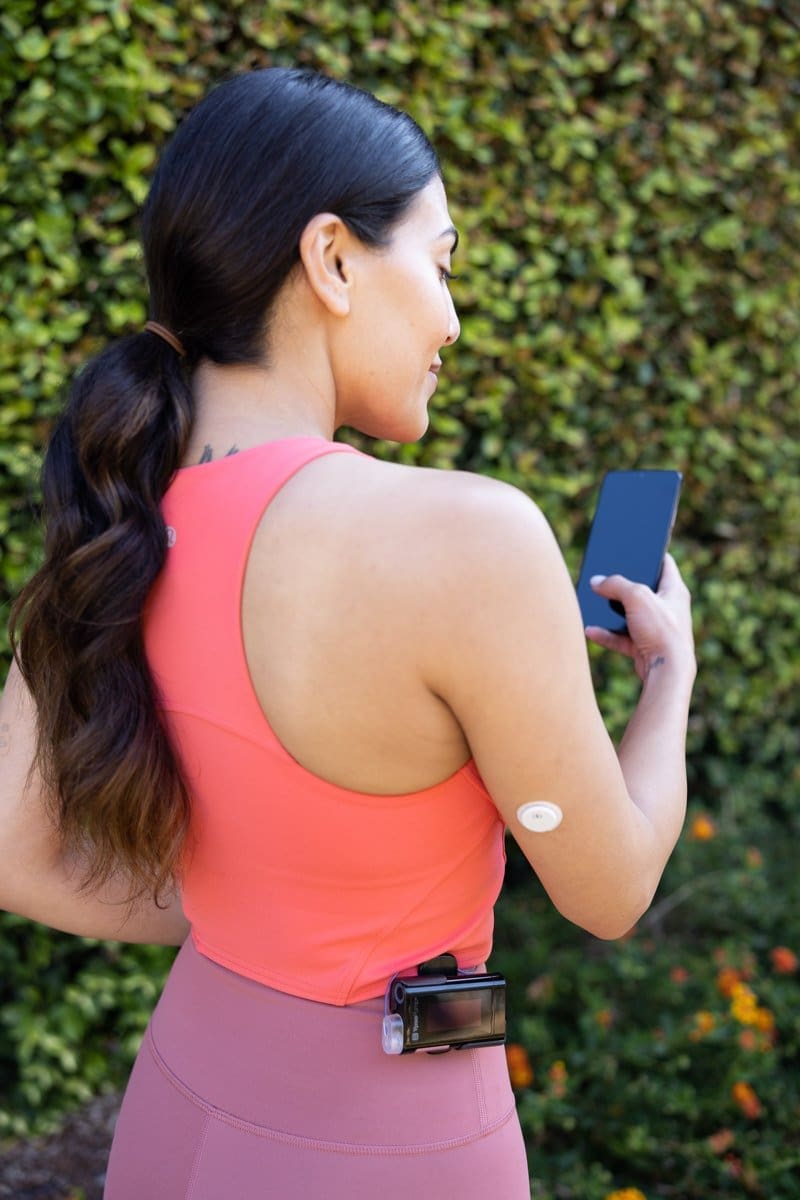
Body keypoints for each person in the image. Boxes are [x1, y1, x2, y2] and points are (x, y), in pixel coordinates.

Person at [0, 67, 696, 1198]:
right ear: (330, 260)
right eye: (440, 260)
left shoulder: (114, 516)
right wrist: (666, 678)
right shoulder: (463, 537)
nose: (452, 318)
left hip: (181, 1102)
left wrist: (251, 920)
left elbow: (12, 847)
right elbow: (607, 890)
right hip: (391, 1140)